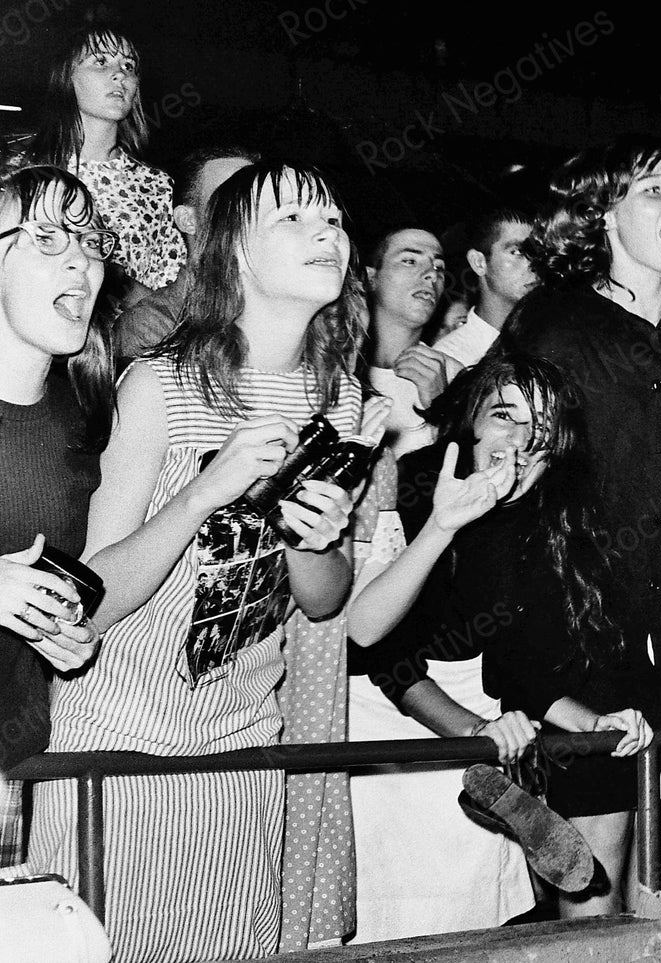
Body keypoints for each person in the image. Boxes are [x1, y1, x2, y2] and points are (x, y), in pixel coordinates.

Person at [29, 161, 365, 962]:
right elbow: (92, 600)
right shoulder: (162, 382)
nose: (327, 233)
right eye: (294, 219)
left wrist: (311, 539)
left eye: (334, 219)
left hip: (241, 744)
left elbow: (322, 599)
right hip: (121, 742)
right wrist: (203, 494)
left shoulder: (338, 396)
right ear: (236, 253)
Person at [503, 138, 661, 906]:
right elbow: (515, 487)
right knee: (594, 855)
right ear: (604, 214)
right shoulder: (551, 324)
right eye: (653, 191)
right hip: (580, 625)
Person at [354, 353, 655, 918]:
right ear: (472, 423)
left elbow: (525, 661)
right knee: (400, 916)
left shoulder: (551, 522)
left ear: (557, 447)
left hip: (477, 723)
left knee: (480, 915)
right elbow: (380, 652)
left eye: (537, 425)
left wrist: (590, 723)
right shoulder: (421, 483)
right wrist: (475, 730)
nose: (517, 436)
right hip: (384, 726)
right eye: (502, 414)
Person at [0, 165, 112, 867]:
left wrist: (65, 634)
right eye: (45, 236)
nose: (78, 257)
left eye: (89, 240)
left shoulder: (81, 417)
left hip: (12, 763)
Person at [18, 27, 186, 301]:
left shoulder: (156, 184)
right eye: (100, 61)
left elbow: (167, 293)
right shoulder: (26, 169)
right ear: (67, 77)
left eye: (129, 66)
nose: (121, 74)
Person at [113, 145, 259, 359]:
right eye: (227, 199)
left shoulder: (276, 306)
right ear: (187, 220)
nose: (245, 211)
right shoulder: (151, 326)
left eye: (254, 199)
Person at [363, 226, 449, 456]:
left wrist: (441, 408)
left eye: (438, 266)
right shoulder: (333, 367)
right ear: (372, 278)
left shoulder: (452, 375)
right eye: (410, 261)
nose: (432, 273)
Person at [434, 207, 538, 377]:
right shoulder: (448, 359)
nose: (532, 265)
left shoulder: (547, 340)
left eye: (535, 253)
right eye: (517, 252)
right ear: (479, 263)